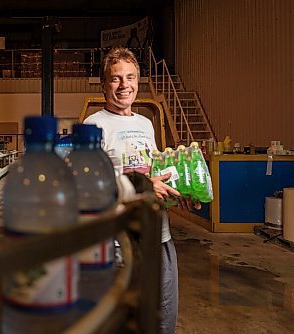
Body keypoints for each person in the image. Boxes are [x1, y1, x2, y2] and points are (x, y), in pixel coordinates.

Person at [83, 46, 199, 334]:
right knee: (123, 318)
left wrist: (180, 191)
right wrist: (142, 185)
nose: (124, 85)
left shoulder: (146, 123)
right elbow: (89, 185)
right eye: (116, 78)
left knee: (161, 314)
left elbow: (155, 171)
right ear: (103, 84)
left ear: (138, 81)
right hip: (119, 241)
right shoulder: (93, 125)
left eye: (130, 77)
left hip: (157, 234)